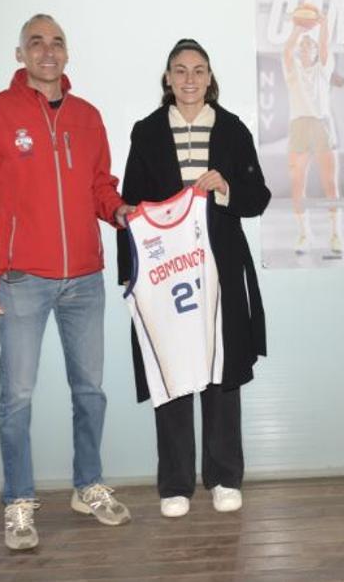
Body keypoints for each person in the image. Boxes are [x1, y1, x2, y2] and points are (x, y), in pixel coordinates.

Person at [0, 13, 133, 551]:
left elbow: (100, 186)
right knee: (17, 396)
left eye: (56, 42)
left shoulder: (88, 116)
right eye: (37, 43)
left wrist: (122, 212)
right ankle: (18, 498)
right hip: (21, 279)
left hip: (84, 278)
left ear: (67, 53)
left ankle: (87, 486)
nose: (48, 51)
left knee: (91, 393)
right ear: (21, 55)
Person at [116, 38, 270, 518]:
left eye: (198, 70)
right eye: (179, 70)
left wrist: (225, 186)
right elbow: (131, 207)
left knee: (221, 370)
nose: (189, 79)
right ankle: (175, 483)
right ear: (167, 78)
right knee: (173, 371)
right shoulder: (146, 132)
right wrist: (134, 278)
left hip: (220, 267)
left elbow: (258, 197)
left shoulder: (231, 128)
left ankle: (225, 476)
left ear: (210, 77)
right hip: (166, 273)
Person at [282, 3, 344, 254]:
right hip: (299, 126)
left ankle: (336, 234)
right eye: (303, 46)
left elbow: (325, 44)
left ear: (317, 52)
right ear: (300, 52)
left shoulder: (323, 70)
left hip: (320, 125)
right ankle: (304, 234)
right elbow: (287, 50)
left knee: (329, 182)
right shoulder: (292, 71)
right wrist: (298, 29)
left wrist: (323, 24)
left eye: (311, 44)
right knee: (297, 183)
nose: (306, 47)